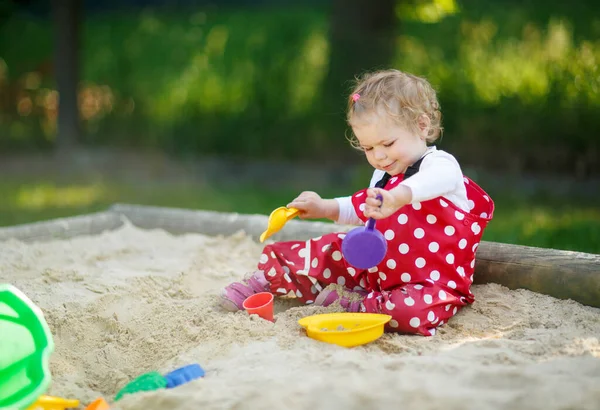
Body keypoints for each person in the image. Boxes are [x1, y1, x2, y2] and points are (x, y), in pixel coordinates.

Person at [221, 69, 494, 336]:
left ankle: (358, 305)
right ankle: (266, 279)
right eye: (369, 148)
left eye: (387, 144)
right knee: (327, 250)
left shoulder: (440, 164)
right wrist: (324, 207)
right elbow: (360, 208)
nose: (379, 156)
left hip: (429, 283)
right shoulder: (384, 174)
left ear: (421, 126)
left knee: (412, 312)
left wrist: (398, 197)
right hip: (376, 269)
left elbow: (434, 180)